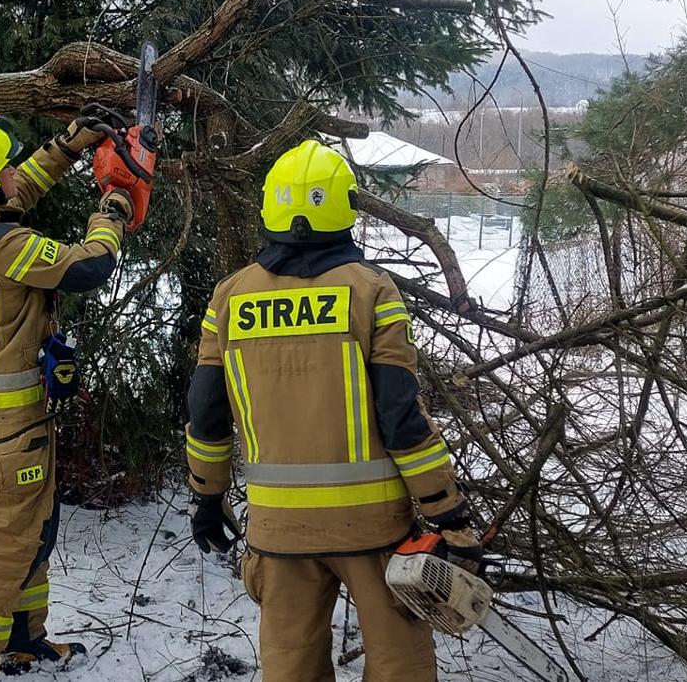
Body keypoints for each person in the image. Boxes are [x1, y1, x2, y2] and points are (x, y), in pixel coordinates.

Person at [183, 139, 478, 681]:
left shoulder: (228, 298)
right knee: (399, 666)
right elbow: (400, 416)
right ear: (345, 208)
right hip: (374, 531)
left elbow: (206, 411)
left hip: (278, 530)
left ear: (271, 207)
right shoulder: (372, 292)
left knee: (290, 666)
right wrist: (445, 510)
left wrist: (206, 495)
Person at [0, 111, 146, 681]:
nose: (12, 173)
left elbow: (20, 187)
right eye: (2, 167)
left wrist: (69, 145)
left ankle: (22, 638)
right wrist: (113, 210)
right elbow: (90, 266)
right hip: (13, 418)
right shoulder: (6, 247)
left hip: (5, 412)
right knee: (9, 536)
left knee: (35, 524)